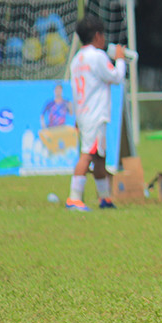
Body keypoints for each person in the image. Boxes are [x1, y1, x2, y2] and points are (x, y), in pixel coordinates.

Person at [65, 16, 127, 211]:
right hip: (96, 114)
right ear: (98, 36)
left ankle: (105, 198)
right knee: (88, 155)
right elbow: (116, 77)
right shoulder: (98, 56)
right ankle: (74, 198)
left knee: (100, 156)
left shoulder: (76, 59)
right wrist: (120, 59)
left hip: (84, 114)